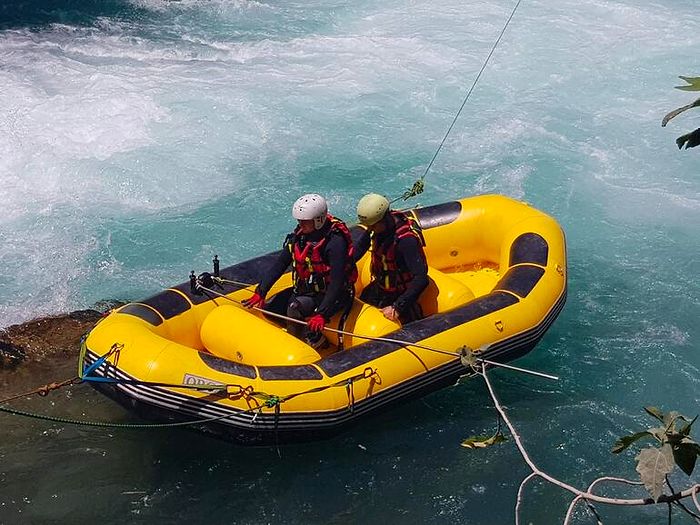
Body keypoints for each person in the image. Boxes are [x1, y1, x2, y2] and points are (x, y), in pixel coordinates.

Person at [242, 193, 357, 349]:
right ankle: (309, 333)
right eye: (299, 220)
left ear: (318, 220)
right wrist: (261, 291)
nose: (300, 224)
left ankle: (304, 344)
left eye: (305, 221)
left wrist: (322, 313)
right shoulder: (300, 237)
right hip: (306, 291)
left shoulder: (335, 243)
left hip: (335, 295)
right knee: (270, 308)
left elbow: (337, 282)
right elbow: (279, 265)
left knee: (294, 309)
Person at [354, 193, 428, 324]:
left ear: (385, 218)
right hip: (382, 288)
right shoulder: (378, 227)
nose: (370, 230)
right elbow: (359, 248)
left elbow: (421, 279)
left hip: (402, 294)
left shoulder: (406, 241)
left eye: (373, 226)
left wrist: (397, 308)